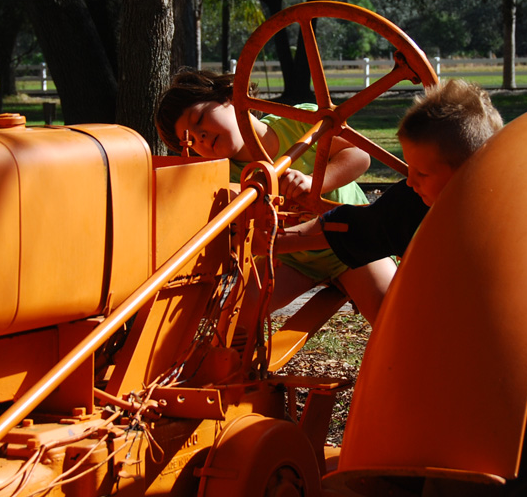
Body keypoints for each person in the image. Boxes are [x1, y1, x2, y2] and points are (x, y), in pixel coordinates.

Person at [155, 69, 397, 323]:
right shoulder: (224, 174)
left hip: (353, 242)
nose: (200, 137)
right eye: (191, 141)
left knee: (391, 319)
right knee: (233, 318)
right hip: (292, 259)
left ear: (232, 97)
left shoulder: (298, 122)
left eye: (200, 118)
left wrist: (314, 182)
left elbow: (359, 155)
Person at [273, 78, 504, 271]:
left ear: (469, 171)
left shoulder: (504, 214)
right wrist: (268, 242)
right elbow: (345, 227)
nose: (410, 181)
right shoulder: (408, 206)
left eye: (422, 173)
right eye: (409, 168)